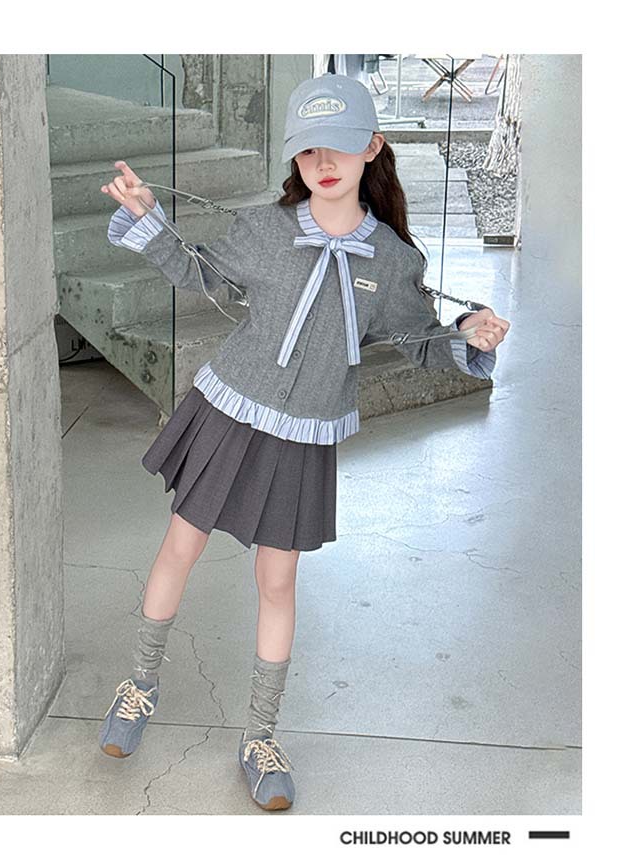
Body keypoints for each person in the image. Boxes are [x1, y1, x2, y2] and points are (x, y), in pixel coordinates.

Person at [96, 73, 510, 812]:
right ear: (295, 155)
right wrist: (149, 220)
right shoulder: (265, 229)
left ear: (371, 148)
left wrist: (465, 335)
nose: (324, 162)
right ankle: (140, 686)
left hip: (304, 434)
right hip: (230, 409)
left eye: (340, 146)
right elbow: (200, 272)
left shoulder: (394, 262)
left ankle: (260, 736)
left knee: (278, 582)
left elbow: (416, 340)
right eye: (310, 148)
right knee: (179, 548)